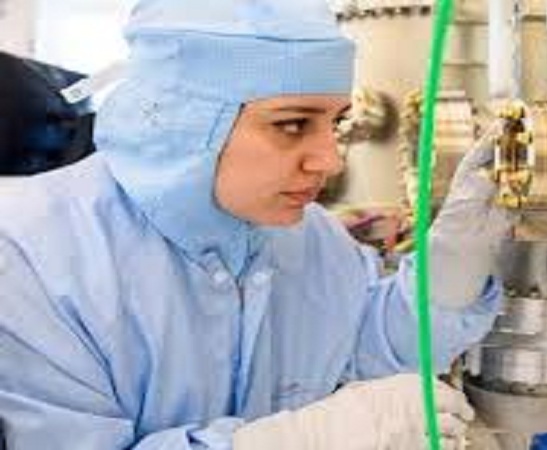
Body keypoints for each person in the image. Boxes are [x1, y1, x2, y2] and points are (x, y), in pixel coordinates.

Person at [0, 0, 511, 449]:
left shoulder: (307, 236)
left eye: (335, 122)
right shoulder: (30, 255)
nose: (331, 160)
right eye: (293, 124)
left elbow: (363, 347)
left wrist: (452, 264)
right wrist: (300, 440)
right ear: (187, 118)